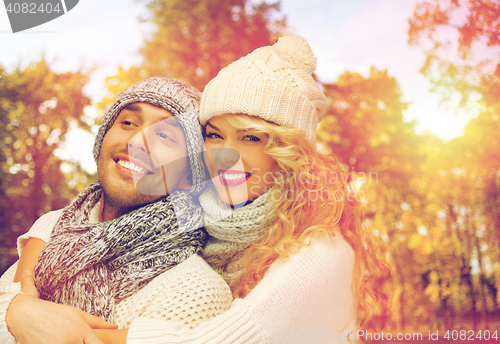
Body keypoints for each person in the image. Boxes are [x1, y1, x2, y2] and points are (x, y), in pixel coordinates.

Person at [3, 35, 390, 344]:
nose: (226, 156)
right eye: (215, 135)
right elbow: (72, 224)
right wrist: (25, 284)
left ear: (288, 153)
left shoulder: (320, 255)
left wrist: (40, 320)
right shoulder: (203, 215)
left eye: (252, 138)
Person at [0, 77, 232, 344]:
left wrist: (15, 310)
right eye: (129, 123)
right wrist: (15, 310)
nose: (136, 141)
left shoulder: (195, 291)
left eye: (166, 136)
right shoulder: (53, 227)